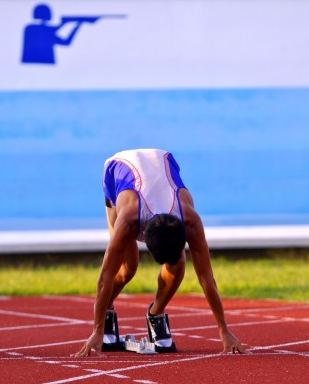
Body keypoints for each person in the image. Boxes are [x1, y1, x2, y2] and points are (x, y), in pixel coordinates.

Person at [74, 149, 247, 357]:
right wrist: (97, 329)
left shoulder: (190, 220)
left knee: (179, 265)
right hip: (117, 170)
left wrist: (224, 330)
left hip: (162, 159)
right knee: (128, 268)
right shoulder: (128, 220)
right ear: (143, 235)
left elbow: (207, 278)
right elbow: (105, 277)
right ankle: (108, 310)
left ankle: (155, 313)